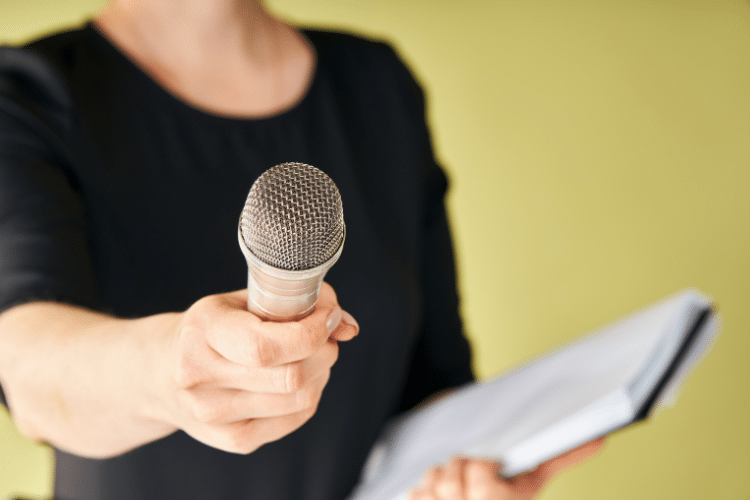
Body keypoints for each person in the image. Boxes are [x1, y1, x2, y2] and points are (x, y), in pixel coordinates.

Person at [0, 0, 602, 499]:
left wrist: (472, 466)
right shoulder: (28, 97)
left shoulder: (376, 84)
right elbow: (29, 371)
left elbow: (433, 375)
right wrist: (168, 373)